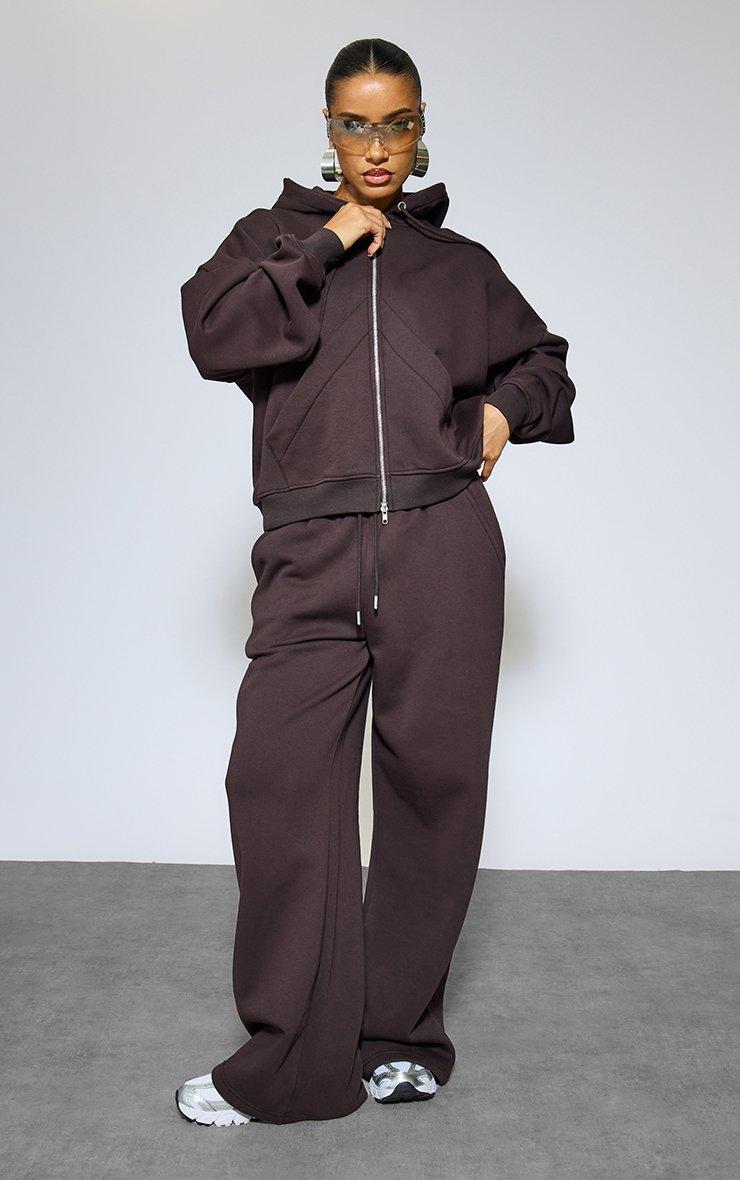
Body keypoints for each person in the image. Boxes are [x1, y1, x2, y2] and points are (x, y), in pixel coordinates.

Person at [175, 37, 576, 1127]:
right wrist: (326, 246)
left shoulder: (458, 264)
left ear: (420, 126)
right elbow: (213, 334)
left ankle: (397, 1037)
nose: (377, 147)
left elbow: (544, 360)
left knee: (431, 791)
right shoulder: (270, 242)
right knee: (277, 788)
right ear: (328, 129)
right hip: (309, 552)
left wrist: (502, 412)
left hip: (443, 548)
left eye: (396, 123)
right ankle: (289, 1060)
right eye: (355, 124)